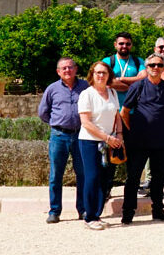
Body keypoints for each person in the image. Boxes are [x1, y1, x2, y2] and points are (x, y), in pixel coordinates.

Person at [119, 53, 164, 225]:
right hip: (138, 141)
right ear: (146, 67)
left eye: (159, 65)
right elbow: (124, 112)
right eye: (152, 65)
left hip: (161, 139)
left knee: (159, 177)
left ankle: (158, 209)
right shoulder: (138, 86)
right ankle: (128, 211)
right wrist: (130, 131)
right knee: (133, 177)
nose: (156, 68)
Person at [38, 57, 88, 224]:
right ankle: (54, 211)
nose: (67, 70)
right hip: (59, 136)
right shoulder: (52, 89)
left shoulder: (85, 87)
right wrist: (57, 124)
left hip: (81, 135)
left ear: (76, 69)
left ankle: (83, 209)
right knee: (55, 175)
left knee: (82, 174)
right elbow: (43, 113)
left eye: (70, 67)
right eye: (63, 68)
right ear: (58, 71)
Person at [76, 61, 122, 230]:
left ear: (109, 75)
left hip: (109, 141)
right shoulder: (87, 94)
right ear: (92, 75)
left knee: (104, 178)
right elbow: (86, 123)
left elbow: (117, 116)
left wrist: (119, 135)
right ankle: (89, 216)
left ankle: (97, 213)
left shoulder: (112, 92)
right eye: (97, 73)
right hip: (90, 141)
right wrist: (107, 137)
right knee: (92, 177)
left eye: (104, 72)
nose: (101, 75)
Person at [103, 32, 146, 106]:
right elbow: (108, 82)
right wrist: (133, 86)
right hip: (112, 108)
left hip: (134, 109)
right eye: (121, 43)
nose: (124, 46)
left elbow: (143, 78)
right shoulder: (107, 61)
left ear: (131, 45)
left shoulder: (139, 61)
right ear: (115, 45)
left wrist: (121, 79)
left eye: (128, 44)